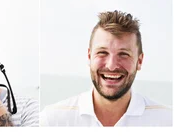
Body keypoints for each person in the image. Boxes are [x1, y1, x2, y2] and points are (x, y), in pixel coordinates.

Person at [40, 11, 172, 126]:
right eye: (102, 52)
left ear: (140, 61)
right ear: (89, 56)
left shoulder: (168, 121)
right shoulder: (52, 120)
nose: (111, 65)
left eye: (124, 54)